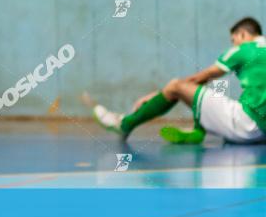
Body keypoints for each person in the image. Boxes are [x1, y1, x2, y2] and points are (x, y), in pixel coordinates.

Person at [89, 17, 266, 145]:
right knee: (211, 99)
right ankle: (198, 130)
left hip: (246, 127)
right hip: (262, 133)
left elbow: (200, 78)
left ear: (242, 34)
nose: (233, 44)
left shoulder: (243, 50)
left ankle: (124, 124)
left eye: (233, 40)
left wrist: (160, 94)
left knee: (176, 86)